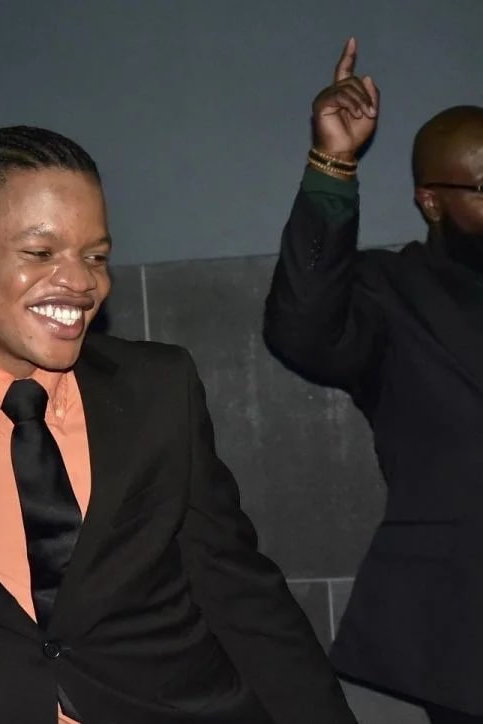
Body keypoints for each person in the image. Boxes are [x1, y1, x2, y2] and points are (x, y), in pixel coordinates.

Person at [0, 125, 355, 723]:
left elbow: (241, 594)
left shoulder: (158, 391)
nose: (80, 282)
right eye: (40, 254)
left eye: (95, 256)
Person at [264, 37, 483, 724]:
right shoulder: (394, 293)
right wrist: (333, 165)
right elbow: (301, 328)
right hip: (467, 631)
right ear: (431, 201)